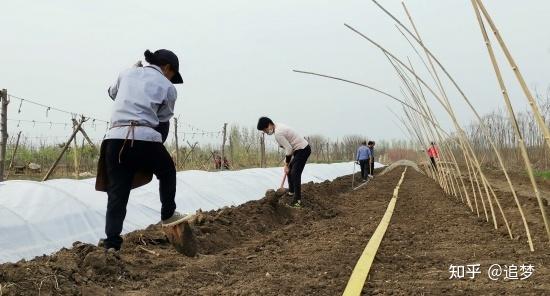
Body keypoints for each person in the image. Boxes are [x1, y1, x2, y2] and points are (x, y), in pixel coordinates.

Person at [96, 49, 188, 251]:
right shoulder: (167, 86)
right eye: (172, 75)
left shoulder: (126, 73)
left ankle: (112, 243)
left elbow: (112, 93)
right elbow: (163, 118)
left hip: (115, 139)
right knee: (167, 171)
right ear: (167, 68)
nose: (171, 78)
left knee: (117, 192)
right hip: (144, 139)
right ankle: (168, 214)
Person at [257, 117, 311, 208]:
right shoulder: (278, 127)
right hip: (298, 150)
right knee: (290, 171)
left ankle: (297, 201)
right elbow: (288, 147)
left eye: (265, 130)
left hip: (303, 149)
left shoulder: (278, 133)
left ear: (269, 125)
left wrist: (286, 164)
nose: (266, 133)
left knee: (295, 173)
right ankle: (291, 192)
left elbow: (289, 149)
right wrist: (288, 164)